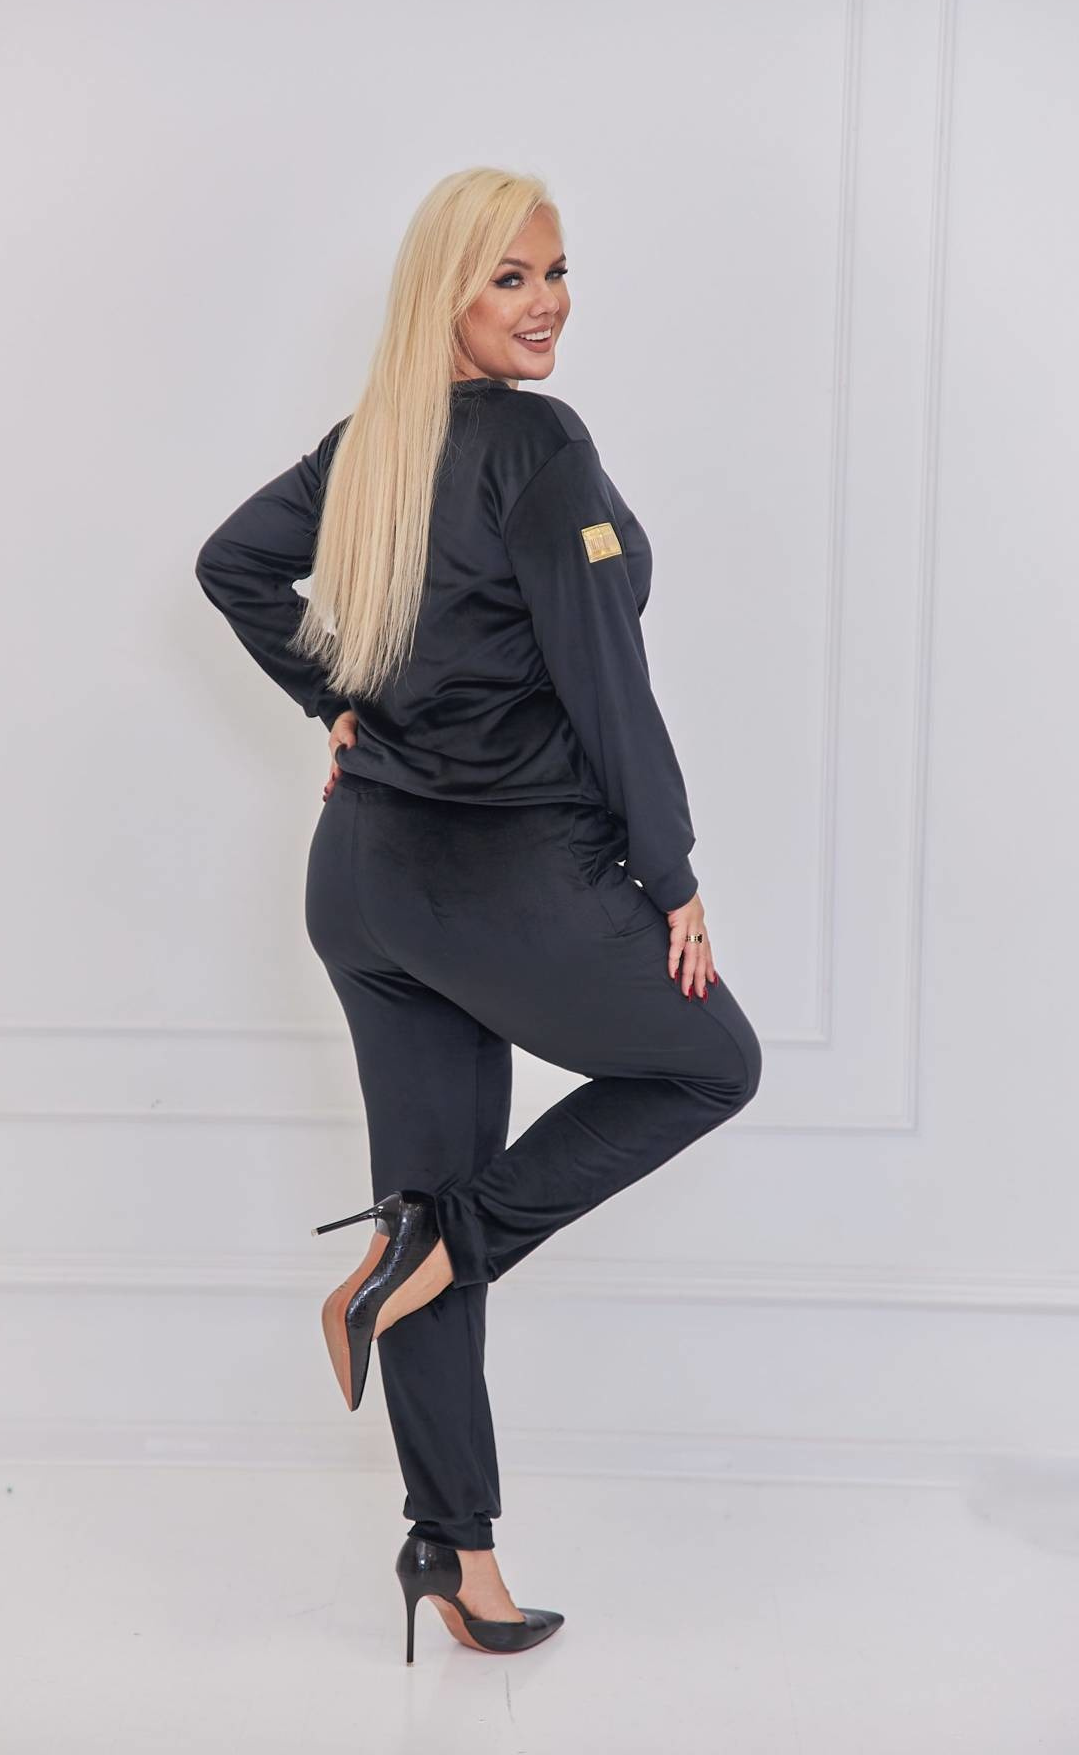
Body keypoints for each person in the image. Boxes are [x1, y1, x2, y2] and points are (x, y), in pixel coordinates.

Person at [194, 166, 763, 1661]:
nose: (548, 301)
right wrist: (672, 871)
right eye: (509, 276)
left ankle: (457, 1554)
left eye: (557, 271)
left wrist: (336, 701)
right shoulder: (537, 445)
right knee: (713, 1064)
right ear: (441, 289)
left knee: (426, 1211)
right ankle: (432, 1247)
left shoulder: (373, 444)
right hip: (505, 887)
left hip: (364, 884)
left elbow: (233, 564)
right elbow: (608, 682)